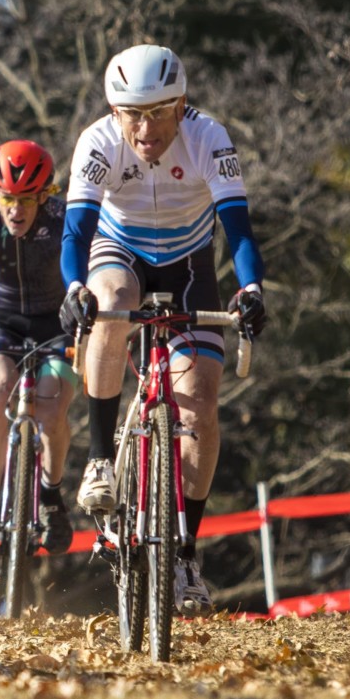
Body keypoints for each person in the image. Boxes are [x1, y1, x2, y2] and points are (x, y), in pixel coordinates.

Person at [57, 44, 267, 615]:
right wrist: (75, 290)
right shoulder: (97, 143)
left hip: (190, 261)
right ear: (113, 110)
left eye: (158, 112)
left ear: (181, 105)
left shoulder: (209, 138)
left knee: (198, 400)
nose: (145, 128)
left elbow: (240, 232)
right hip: (117, 250)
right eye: (132, 113)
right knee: (112, 301)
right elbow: (74, 234)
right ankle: (101, 458)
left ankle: (185, 554)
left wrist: (250, 291)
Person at [0, 139, 77, 556]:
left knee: (52, 403)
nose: (15, 210)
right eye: (7, 198)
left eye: (26, 200)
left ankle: (51, 497)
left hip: (56, 322)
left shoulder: (64, 220)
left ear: (44, 196)